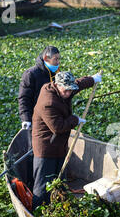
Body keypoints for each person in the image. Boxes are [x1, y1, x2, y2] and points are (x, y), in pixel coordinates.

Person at [31, 71, 102, 209]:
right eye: (66, 90)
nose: (69, 93)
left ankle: (58, 205)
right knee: (43, 184)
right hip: (46, 147)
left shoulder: (63, 90)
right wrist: (75, 119)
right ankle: (37, 211)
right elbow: (58, 127)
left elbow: (77, 85)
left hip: (59, 145)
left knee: (60, 179)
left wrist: (92, 79)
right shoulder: (48, 102)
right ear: (57, 85)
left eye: (70, 90)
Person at [18, 46, 61, 130]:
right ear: (46, 58)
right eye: (56, 59)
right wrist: (26, 119)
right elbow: (24, 98)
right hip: (37, 118)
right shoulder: (31, 74)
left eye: (59, 59)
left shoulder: (56, 73)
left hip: (53, 117)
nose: (58, 62)